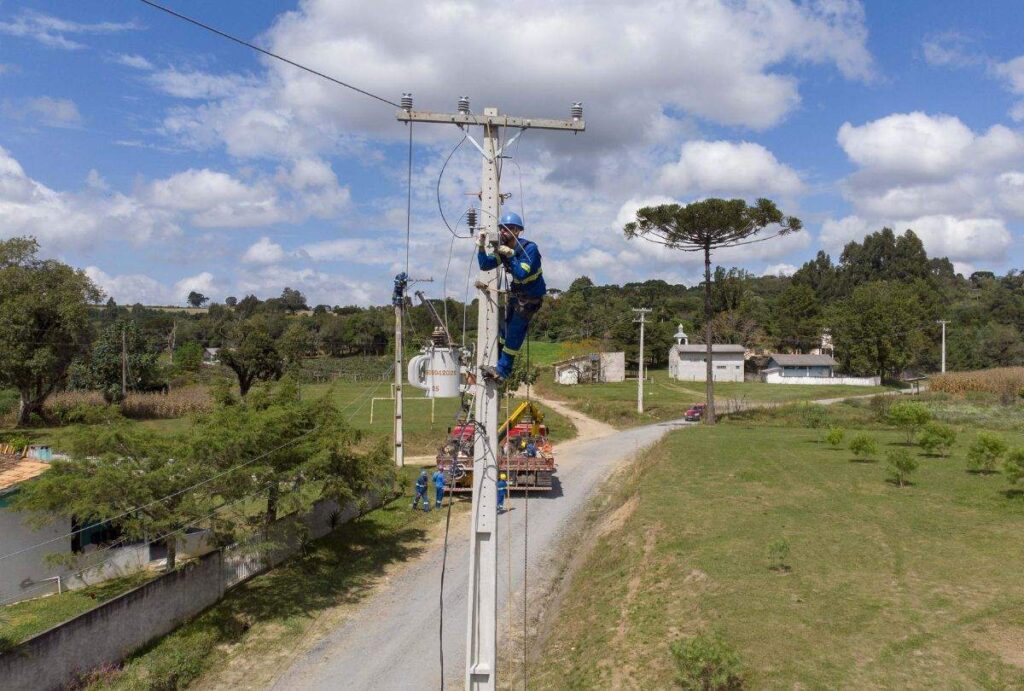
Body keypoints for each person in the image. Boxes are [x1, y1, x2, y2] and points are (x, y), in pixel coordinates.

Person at [477, 212, 546, 381]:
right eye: (501, 229)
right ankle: (496, 363)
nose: (502, 233)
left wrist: (511, 255)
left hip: (529, 300)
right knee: (503, 331)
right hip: (516, 297)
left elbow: (521, 273)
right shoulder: (505, 250)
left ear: (517, 231)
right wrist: (480, 247)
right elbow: (485, 264)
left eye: (507, 230)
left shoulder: (529, 249)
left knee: (513, 335)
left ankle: (502, 372)